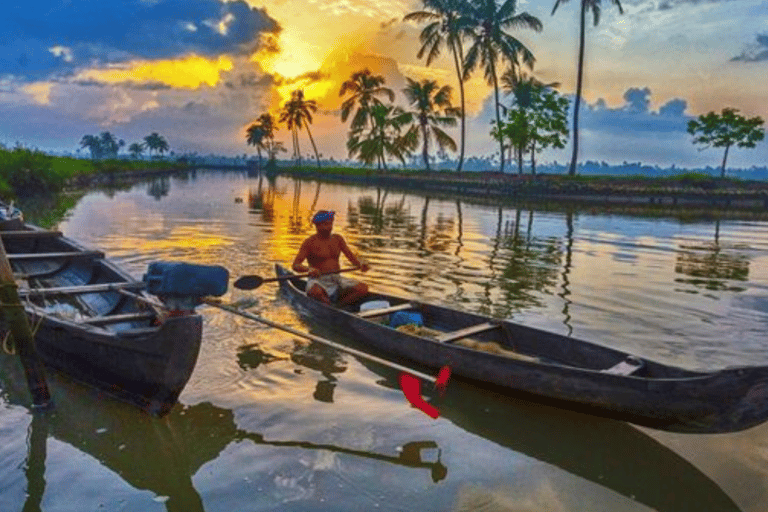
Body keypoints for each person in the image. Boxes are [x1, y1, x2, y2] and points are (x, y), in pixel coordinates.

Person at [292, 210, 370, 306]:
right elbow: (295, 265)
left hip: (337, 279)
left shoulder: (338, 239)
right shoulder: (309, 242)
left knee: (363, 288)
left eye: (330, 224)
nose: (328, 227)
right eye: (325, 224)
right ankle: (327, 304)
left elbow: (352, 258)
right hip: (318, 280)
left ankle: (337, 307)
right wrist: (309, 269)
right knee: (315, 292)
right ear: (317, 226)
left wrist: (361, 264)